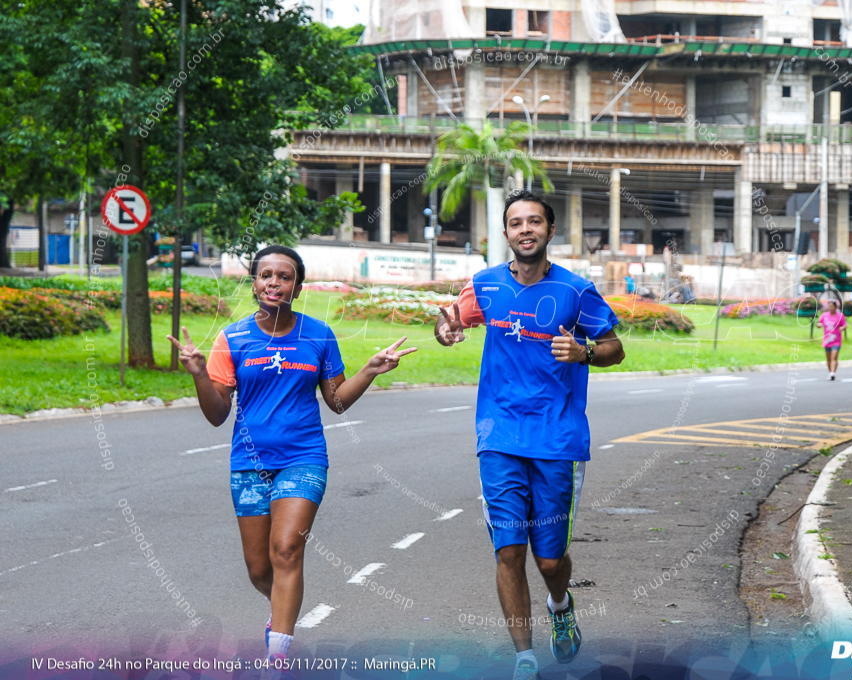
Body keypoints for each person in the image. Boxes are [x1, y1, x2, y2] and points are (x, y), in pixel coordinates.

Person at [166, 245, 415, 664]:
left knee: (286, 550)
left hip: (304, 458)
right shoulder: (235, 337)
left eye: (284, 277)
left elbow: (335, 401)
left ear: (297, 288)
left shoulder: (318, 335)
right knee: (260, 570)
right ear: (255, 284)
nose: (274, 283)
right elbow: (216, 415)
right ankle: (281, 606)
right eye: (266, 276)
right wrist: (197, 377)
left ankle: (278, 655)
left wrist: (369, 371)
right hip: (248, 464)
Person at [434, 190, 625, 680]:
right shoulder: (484, 285)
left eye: (534, 221)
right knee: (508, 549)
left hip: (557, 439)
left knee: (548, 559)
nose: (525, 230)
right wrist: (446, 331)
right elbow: (452, 322)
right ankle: (524, 658)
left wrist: (584, 352)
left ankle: (560, 605)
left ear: (549, 230)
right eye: (516, 222)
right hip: (498, 434)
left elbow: (614, 347)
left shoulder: (576, 291)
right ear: (505, 233)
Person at [817, 298, 847, 380]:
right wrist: (819, 325)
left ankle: (833, 372)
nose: (830, 308)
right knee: (828, 357)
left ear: (835, 307)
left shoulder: (840, 316)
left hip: (836, 340)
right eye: (829, 306)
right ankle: (830, 372)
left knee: (834, 356)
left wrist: (842, 328)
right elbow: (819, 322)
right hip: (827, 340)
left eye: (832, 306)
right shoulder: (824, 315)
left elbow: (844, 324)